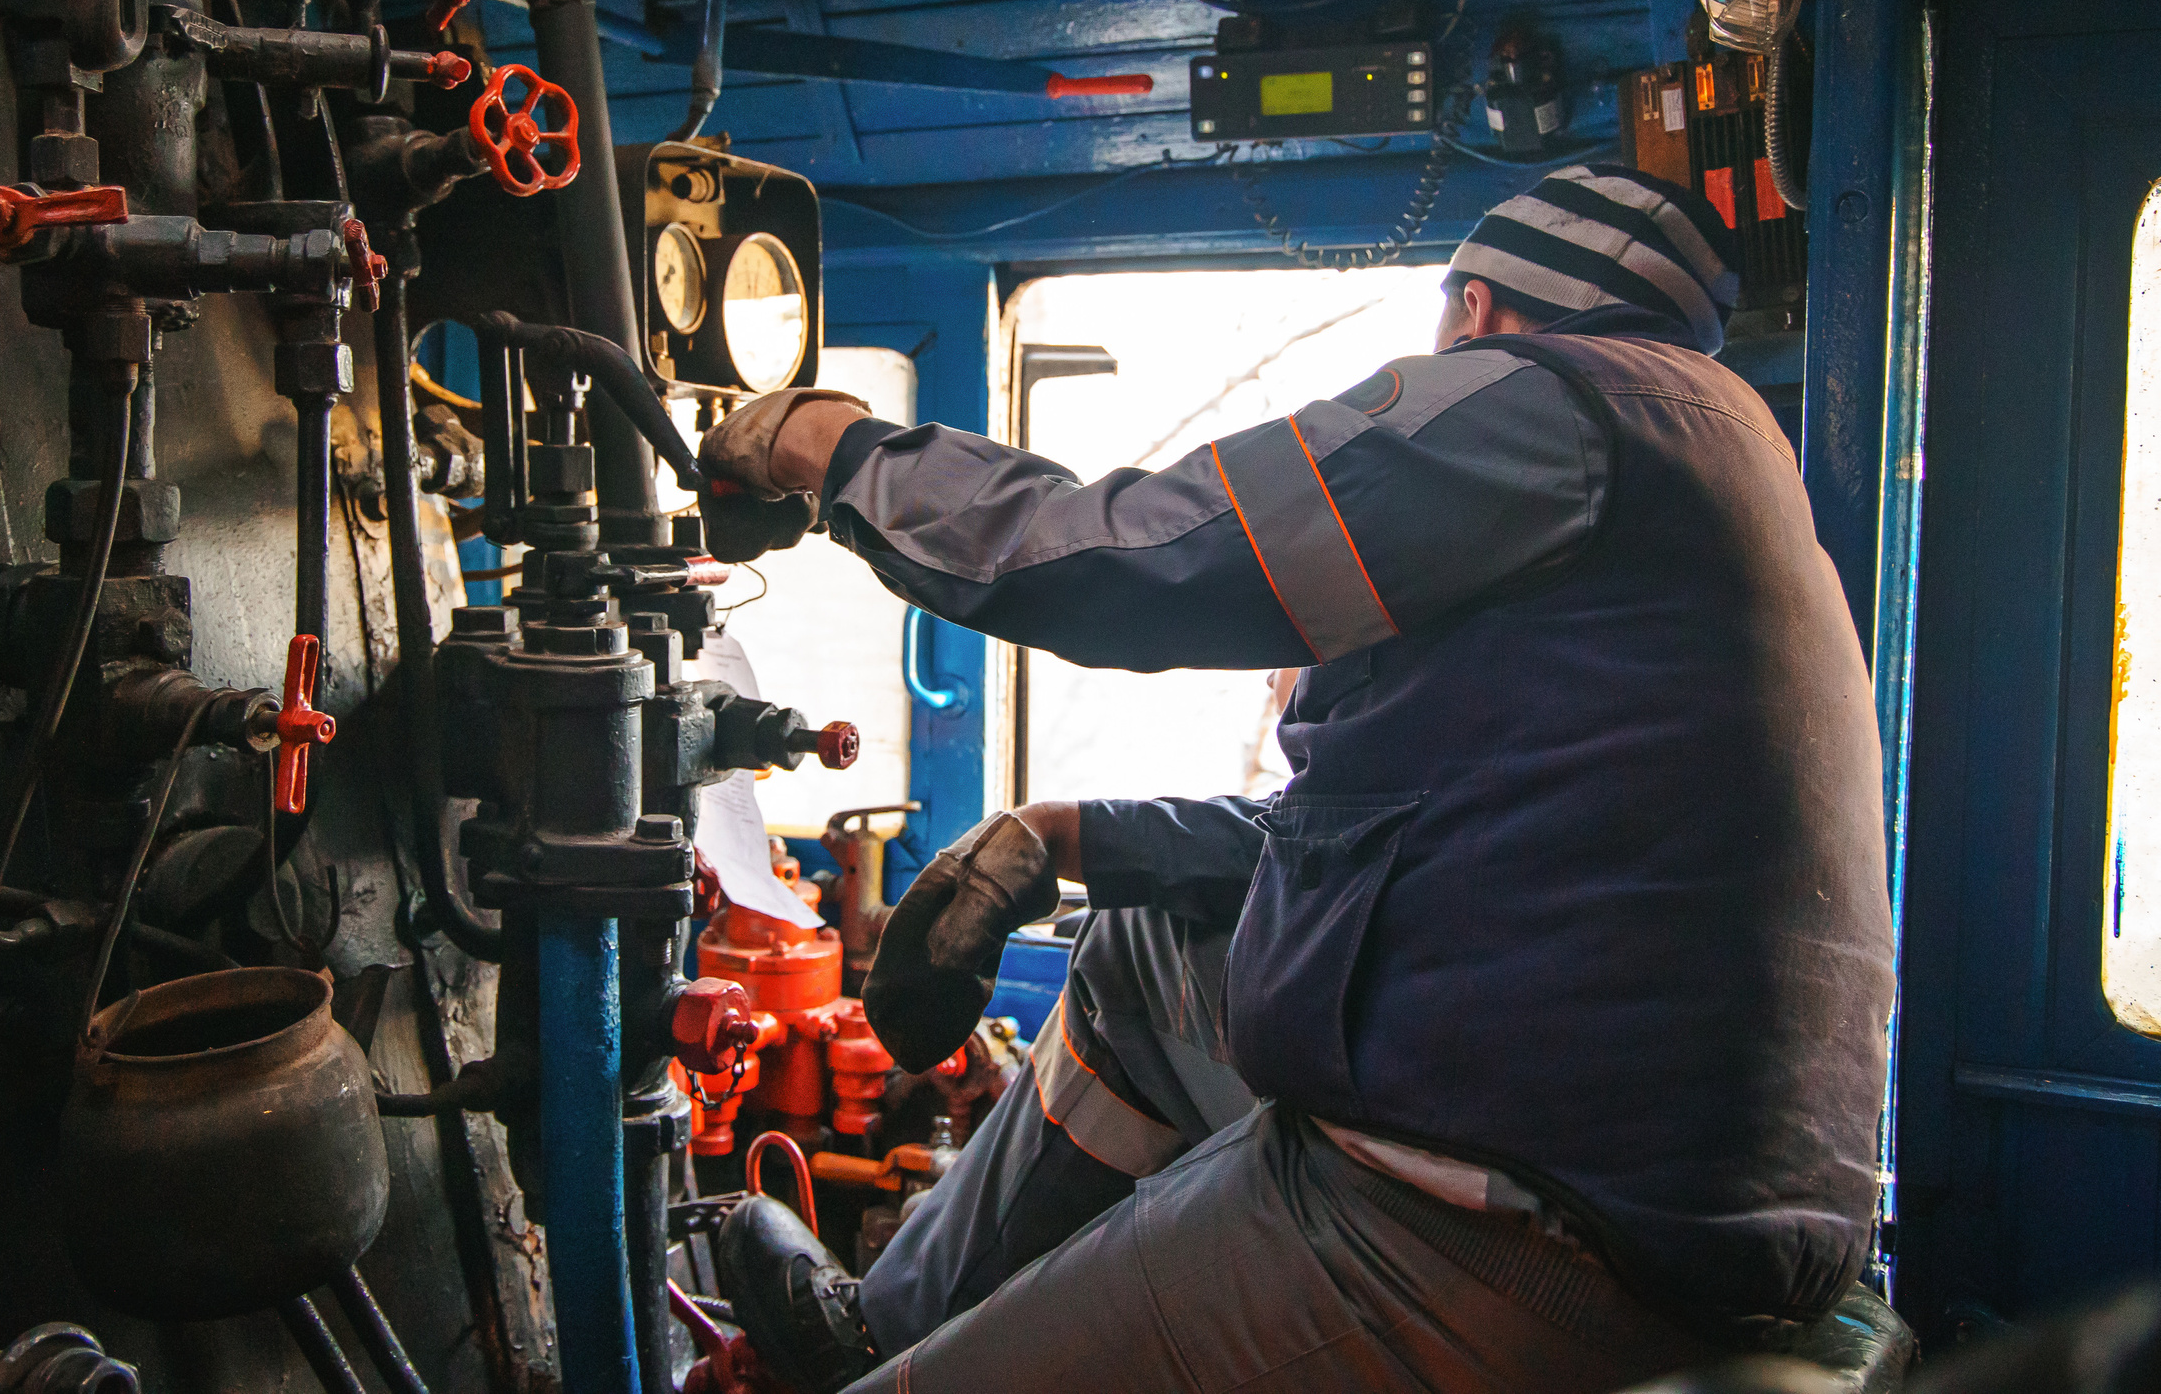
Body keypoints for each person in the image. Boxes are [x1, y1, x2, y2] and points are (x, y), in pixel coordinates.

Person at [695, 165, 1895, 1394]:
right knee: (1143, 957)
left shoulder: (1550, 410)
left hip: (1537, 1219)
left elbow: (1137, 557)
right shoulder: (1715, 457)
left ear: (1475, 309)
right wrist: (1063, 837)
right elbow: (1410, 838)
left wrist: (832, 447)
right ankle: (888, 1320)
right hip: (1684, 1179)